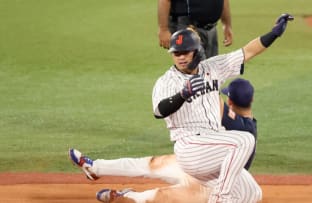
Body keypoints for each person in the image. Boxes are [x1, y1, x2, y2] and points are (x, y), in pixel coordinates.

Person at [71, 13, 294, 203]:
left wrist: (274, 33)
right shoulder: (166, 81)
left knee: (252, 192)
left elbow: (247, 52)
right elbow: (159, 111)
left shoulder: (213, 68)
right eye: (176, 53)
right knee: (244, 140)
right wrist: (182, 94)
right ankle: (219, 199)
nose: (180, 57)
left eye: (185, 52)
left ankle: (122, 191)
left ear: (197, 51)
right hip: (190, 147)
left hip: (212, 149)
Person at [69, 78, 258, 202]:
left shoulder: (236, 127)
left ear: (231, 102)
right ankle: (94, 168)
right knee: (153, 164)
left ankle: (127, 196)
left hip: (211, 185)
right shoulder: (246, 127)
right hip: (197, 167)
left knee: (162, 196)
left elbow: (214, 102)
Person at [158, 0, 233, 58]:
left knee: (211, 69)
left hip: (211, 27)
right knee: (192, 69)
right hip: (187, 26)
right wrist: (163, 29)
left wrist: (227, 25)